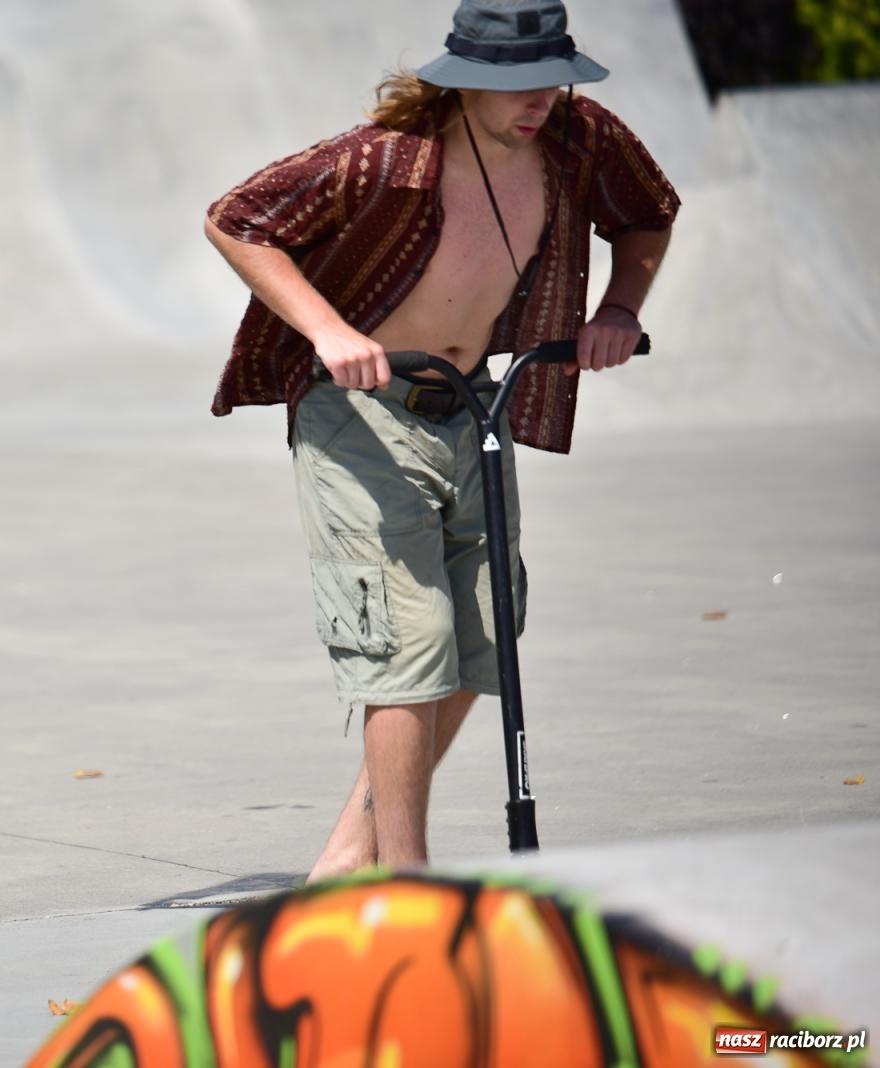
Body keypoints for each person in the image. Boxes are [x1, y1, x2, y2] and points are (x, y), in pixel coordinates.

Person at [203, 0, 678, 878]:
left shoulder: (579, 139)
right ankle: (404, 883)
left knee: (484, 635)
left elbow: (649, 211)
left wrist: (619, 309)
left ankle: (349, 855)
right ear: (462, 83)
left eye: (550, 77)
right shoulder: (382, 159)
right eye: (514, 84)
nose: (538, 99)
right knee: (406, 645)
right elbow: (236, 218)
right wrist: (326, 330)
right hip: (361, 416)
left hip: (474, 406)